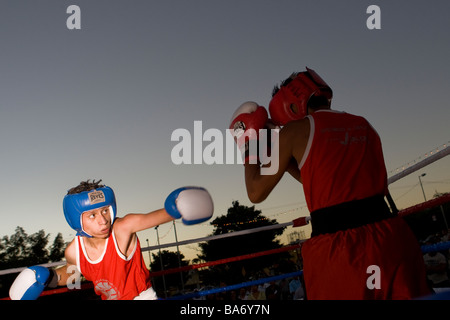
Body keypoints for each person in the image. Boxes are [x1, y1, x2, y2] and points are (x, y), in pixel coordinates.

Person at [229, 67, 431, 299]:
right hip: (392, 239)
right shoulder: (364, 124)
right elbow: (317, 176)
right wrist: (279, 150)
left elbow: (255, 192)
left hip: (342, 250)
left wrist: (249, 144)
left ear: (291, 105)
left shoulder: (295, 131)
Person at [9, 179, 214, 300]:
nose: (103, 220)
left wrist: (177, 207)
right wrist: (48, 277)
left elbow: (157, 216)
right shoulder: (73, 251)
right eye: (92, 215)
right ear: (76, 220)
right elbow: (73, 274)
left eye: (105, 210)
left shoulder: (122, 228)